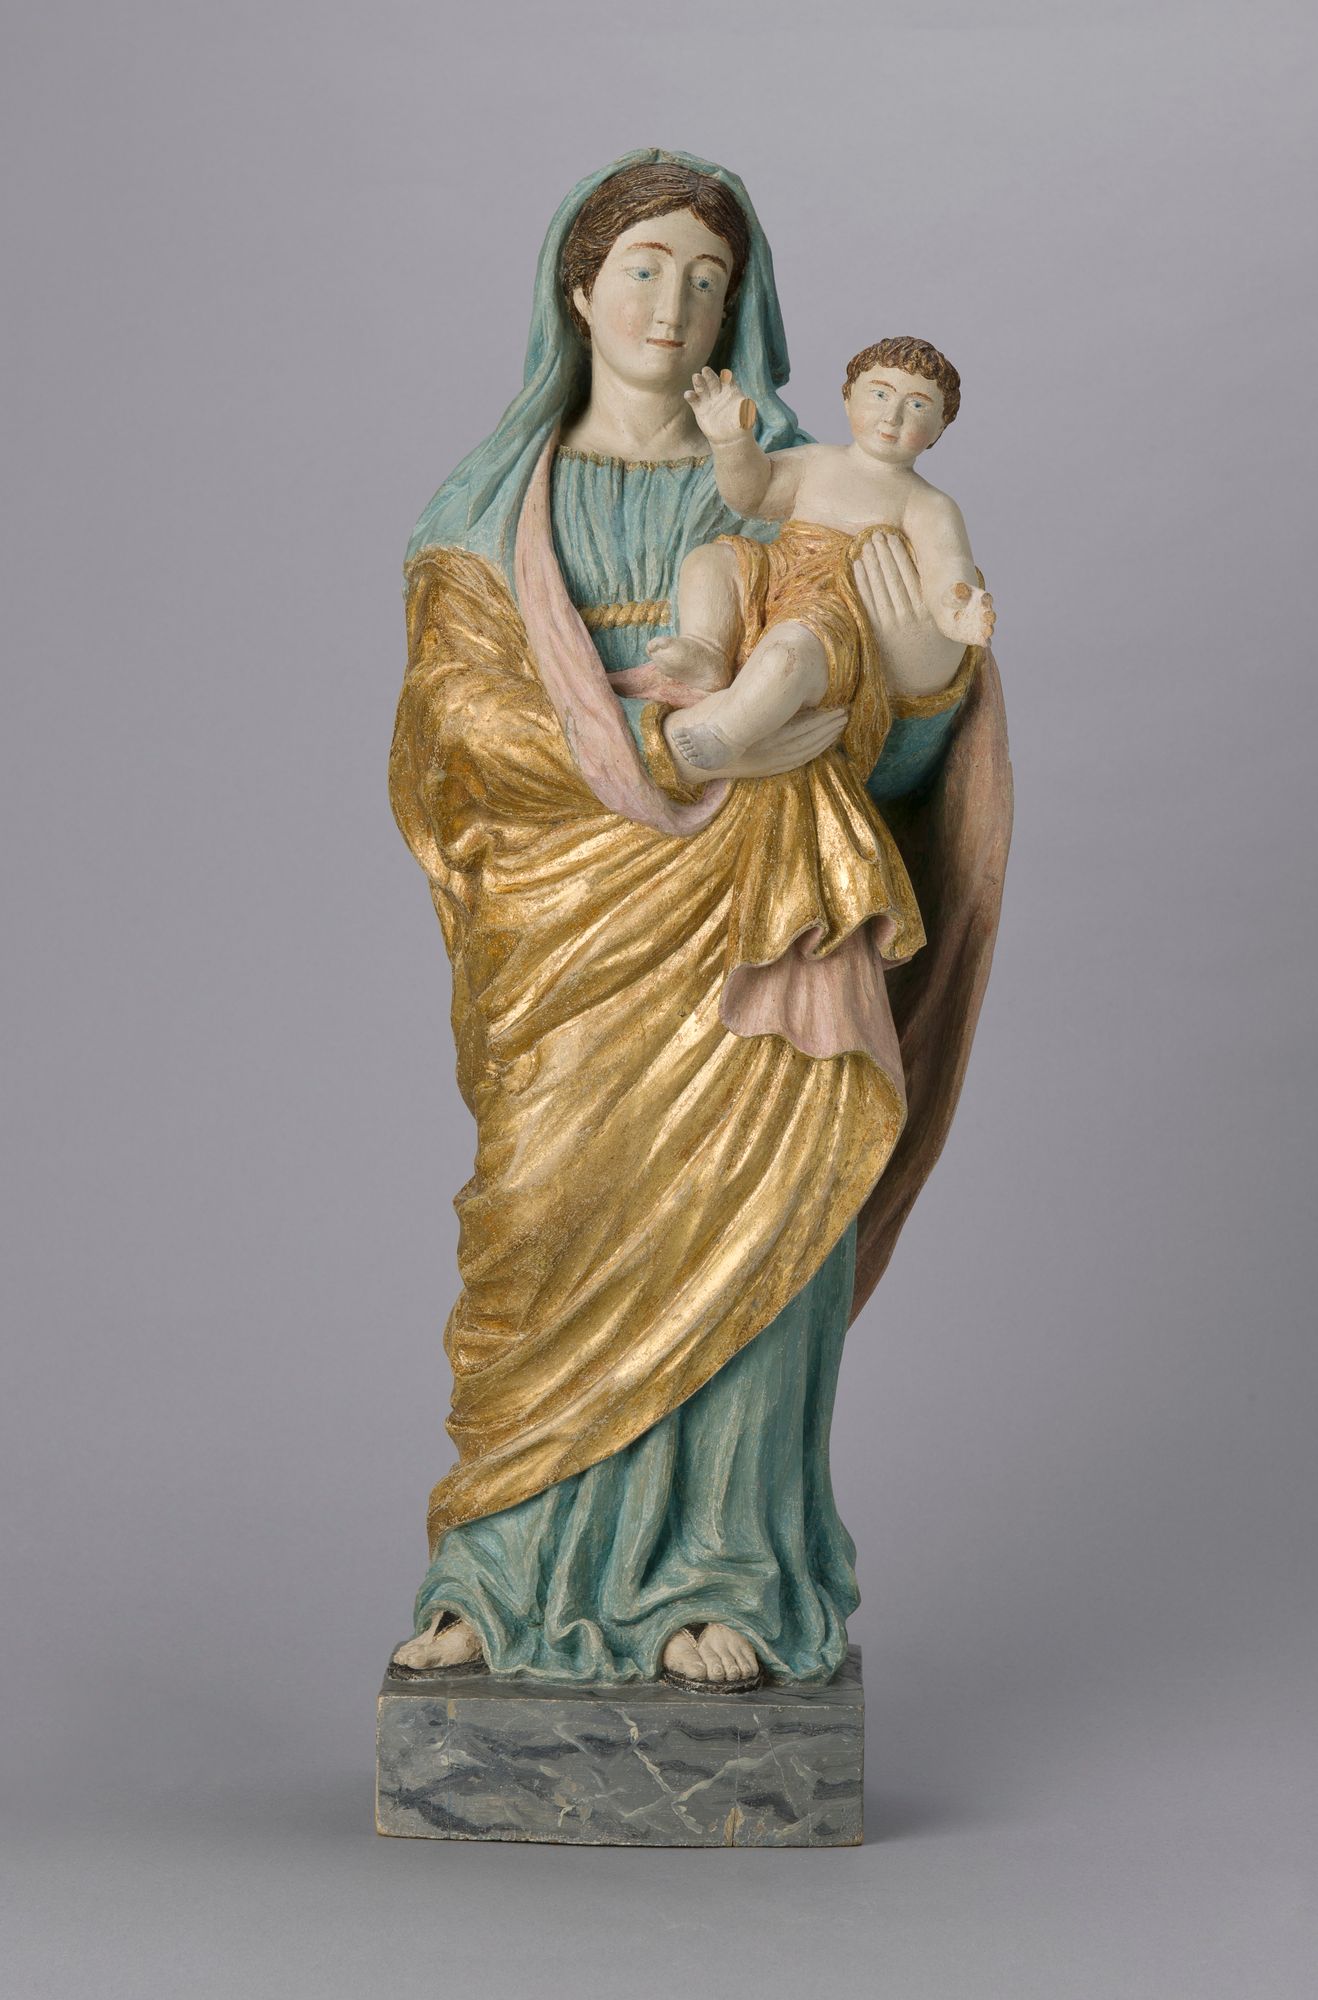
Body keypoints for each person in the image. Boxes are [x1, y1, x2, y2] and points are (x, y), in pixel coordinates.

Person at [386, 150, 1012, 1691]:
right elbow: (457, 725)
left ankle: (722, 1570)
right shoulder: (489, 506)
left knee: (761, 1218)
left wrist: (919, 676)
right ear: (577, 285)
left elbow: (897, 754)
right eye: (644, 267)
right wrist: (668, 748)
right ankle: (502, 1568)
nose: (674, 303)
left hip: (769, 904)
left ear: (744, 309)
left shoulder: (806, 481)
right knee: (546, 1213)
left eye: (709, 278)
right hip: (572, 924)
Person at [652, 338, 995, 776]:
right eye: (880, 394)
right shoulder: (816, 461)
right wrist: (732, 442)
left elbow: (947, 567)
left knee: (790, 653)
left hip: (836, 610)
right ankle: (707, 650)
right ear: (848, 397)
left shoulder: (928, 504)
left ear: (941, 427)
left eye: (917, 405)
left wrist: (956, 608)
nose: (892, 416)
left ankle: (724, 734)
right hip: (777, 571)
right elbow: (751, 495)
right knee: (709, 562)